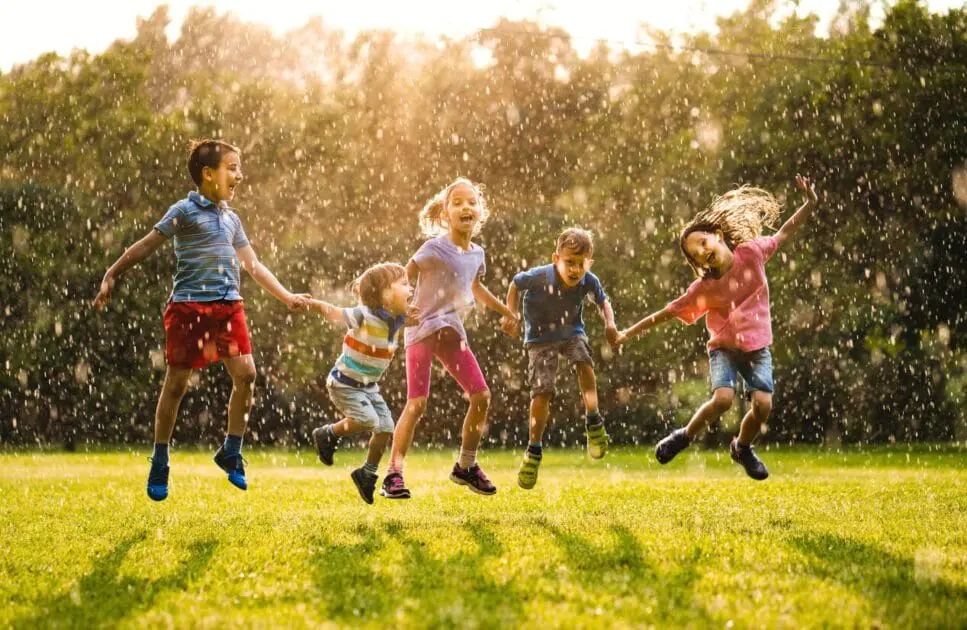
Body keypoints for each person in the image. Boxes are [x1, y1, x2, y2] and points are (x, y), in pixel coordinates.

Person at [93, 139, 308, 501]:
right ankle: (160, 459)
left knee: (247, 375)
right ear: (208, 174)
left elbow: (252, 265)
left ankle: (231, 450)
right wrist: (112, 273)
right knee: (176, 385)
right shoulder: (184, 211)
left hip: (228, 307)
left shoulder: (231, 219)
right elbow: (146, 244)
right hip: (190, 309)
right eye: (233, 168)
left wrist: (286, 296)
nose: (241, 175)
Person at [615, 175, 819, 480]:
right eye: (695, 254)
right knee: (723, 399)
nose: (701, 253)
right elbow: (666, 313)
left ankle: (742, 447)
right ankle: (683, 436)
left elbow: (786, 232)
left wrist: (810, 203)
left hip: (757, 347)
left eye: (702, 243)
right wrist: (626, 333)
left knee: (763, 406)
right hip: (724, 348)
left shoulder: (751, 253)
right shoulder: (703, 289)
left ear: (718, 235)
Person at [381, 177, 518, 499]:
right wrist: (403, 307)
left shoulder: (477, 253)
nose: (465, 207)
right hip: (422, 329)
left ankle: (466, 466)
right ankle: (393, 474)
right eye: (457, 202)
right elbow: (403, 276)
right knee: (417, 403)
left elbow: (475, 287)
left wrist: (506, 312)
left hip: (451, 330)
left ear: (480, 212)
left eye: (471, 202)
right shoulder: (433, 248)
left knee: (481, 396)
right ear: (445, 214)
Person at [501, 228, 618, 489]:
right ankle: (533, 450)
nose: (575, 270)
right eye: (569, 263)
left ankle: (593, 419)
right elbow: (515, 284)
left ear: (590, 263)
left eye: (581, 264)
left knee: (583, 360)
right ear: (556, 259)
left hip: (571, 333)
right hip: (540, 339)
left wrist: (610, 324)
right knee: (543, 391)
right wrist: (511, 313)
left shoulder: (589, 280)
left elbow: (603, 302)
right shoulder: (540, 276)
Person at [306, 263, 414, 504]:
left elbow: (418, 315)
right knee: (368, 421)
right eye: (404, 284)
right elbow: (333, 311)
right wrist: (313, 304)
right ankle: (328, 433)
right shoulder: (362, 315)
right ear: (385, 294)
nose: (411, 288)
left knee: (386, 428)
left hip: (368, 387)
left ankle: (367, 473)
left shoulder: (396, 319)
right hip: (344, 383)